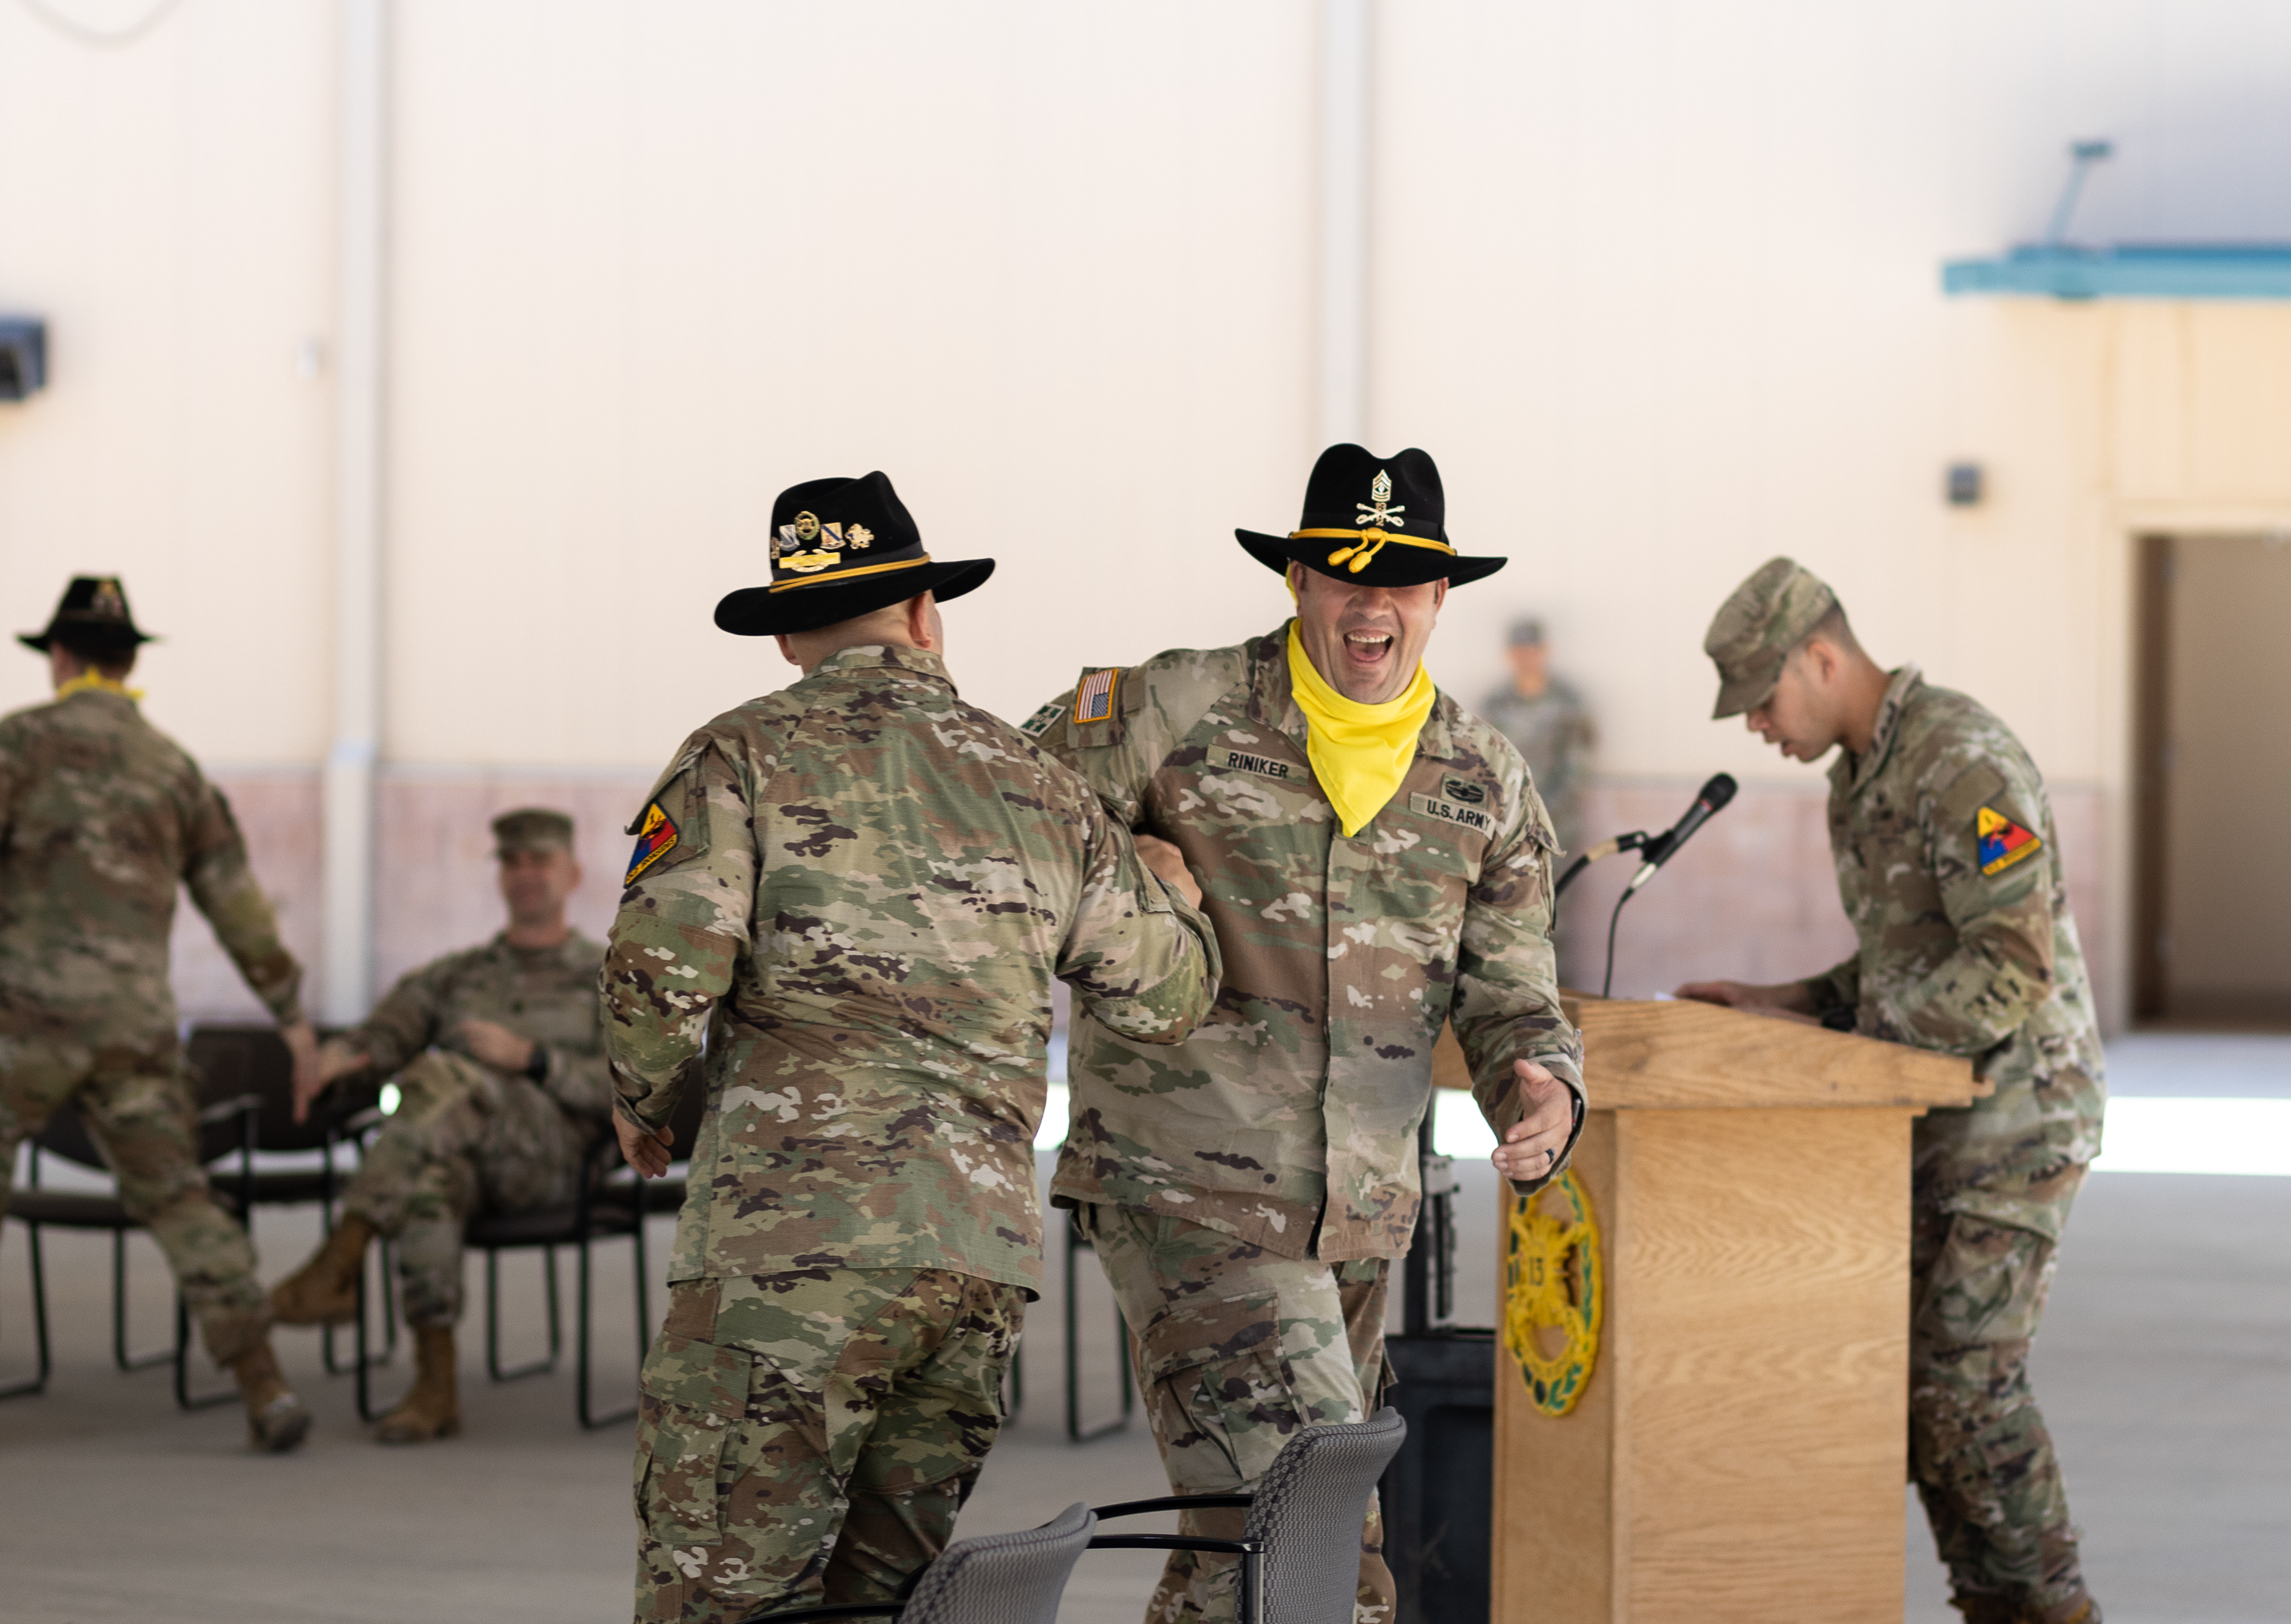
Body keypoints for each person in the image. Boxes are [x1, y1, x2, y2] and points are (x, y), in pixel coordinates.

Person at [603, 471, 1220, 1624]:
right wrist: (1174, 895)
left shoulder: (736, 755)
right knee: (881, 1604)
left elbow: (659, 974)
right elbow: (1166, 998)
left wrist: (651, 1105)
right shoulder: (1042, 786)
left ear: (788, 635)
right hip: (974, 1267)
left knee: (720, 1598)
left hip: (787, 1257)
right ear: (926, 614)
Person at [1022, 443, 1586, 1624]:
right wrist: (1130, 872)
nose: (1372, 606)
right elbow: (1007, 822)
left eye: (1402, 581)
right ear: (1297, 582)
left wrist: (1544, 1085)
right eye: (1344, 575)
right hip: (1191, 1181)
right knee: (1313, 1521)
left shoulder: (1483, 777)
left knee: (1250, 1545)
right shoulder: (1173, 707)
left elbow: (1511, 989)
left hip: (1361, 1209)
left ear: (1440, 596)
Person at [1674, 557, 2106, 1624]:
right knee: (1915, 1398)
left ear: (1821, 659)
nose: (1756, 726)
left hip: (2020, 1119)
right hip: (1934, 1120)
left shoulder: (1961, 759)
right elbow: (1904, 963)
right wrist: (1780, 1001)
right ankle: (1995, 1606)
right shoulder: (1861, 777)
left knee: (1965, 1385)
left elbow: (2011, 964)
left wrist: (1850, 1040)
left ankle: (2053, 1612)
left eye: (1762, 699)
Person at [0, 577, 318, 1450]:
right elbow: (237, 906)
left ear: (59, 657)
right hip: (132, 1029)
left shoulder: (18, 743)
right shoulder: (172, 768)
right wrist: (293, 1017)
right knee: (181, 1201)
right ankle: (266, 1387)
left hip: (22, 1023)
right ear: (128, 662)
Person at [269, 806, 612, 1443]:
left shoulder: (610, 978)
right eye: (512, 862)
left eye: (540, 860)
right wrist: (341, 1058)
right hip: (461, 1151)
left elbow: (638, 1091)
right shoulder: (459, 974)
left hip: (555, 1163)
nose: (525, 874)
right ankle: (435, 1385)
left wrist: (534, 1059)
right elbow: (384, 1035)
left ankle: (340, 1259)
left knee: (447, 1075)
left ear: (573, 874)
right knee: (429, 1181)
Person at [1477, 616, 1595, 853]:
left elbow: (1576, 768)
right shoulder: (1496, 704)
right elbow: (1485, 763)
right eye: (1520, 651)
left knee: (1558, 878)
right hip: (1507, 824)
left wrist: (1541, 813)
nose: (1526, 658)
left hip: (1557, 825)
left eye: (1533, 650)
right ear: (1510, 654)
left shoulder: (1567, 702)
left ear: (1545, 651)